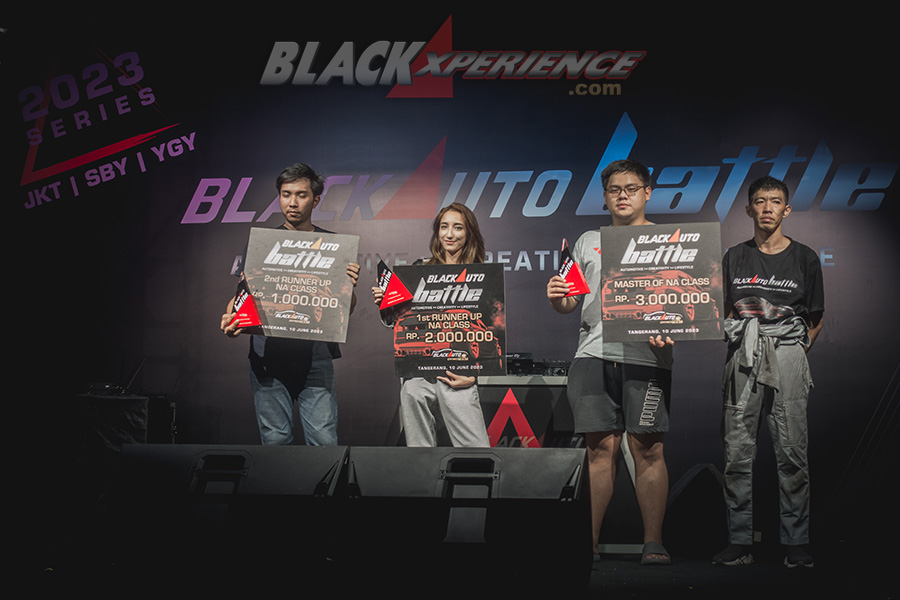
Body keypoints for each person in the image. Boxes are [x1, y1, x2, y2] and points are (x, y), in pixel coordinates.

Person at [547, 159, 674, 565]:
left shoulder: (668, 240)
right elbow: (569, 303)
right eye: (615, 189)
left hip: (647, 357)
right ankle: (589, 543)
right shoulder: (588, 241)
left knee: (648, 449)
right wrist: (557, 297)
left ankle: (653, 541)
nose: (623, 195)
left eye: (631, 188)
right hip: (592, 355)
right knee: (599, 450)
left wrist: (674, 324)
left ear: (647, 192)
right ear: (604, 197)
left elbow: (684, 301)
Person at [713, 175, 824, 568]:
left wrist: (793, 350)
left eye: (775, 201)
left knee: (792, 450)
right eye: (759, 201)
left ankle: (795, 542)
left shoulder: (805, 257)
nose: (767, 208)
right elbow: (724, 311)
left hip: (788, 353)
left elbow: (815, 317)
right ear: (749, 209)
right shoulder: (734, 256)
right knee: (737, 450)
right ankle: (739, 541)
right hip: (743, 353)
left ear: (786, 209)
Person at [220, 163, 360, 445]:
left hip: (316, 357)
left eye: (301, 195)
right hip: (268, 357)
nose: (292, 202)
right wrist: (231, 318)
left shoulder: (333, 245)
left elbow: (345, 308)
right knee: (275, 442)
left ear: (315, 200)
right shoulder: (262, 244)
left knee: (324, 442)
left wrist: (348, 288)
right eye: (286, 195)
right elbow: (243, 296)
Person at [372, 203, 490, 447]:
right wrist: (387, 305)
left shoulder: (482, 275)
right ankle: (421, 471)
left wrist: (473, 375)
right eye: (444, 227)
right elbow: (400, 323)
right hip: (419, 372)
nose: (449, 234)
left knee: (475, 450)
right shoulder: (419, 270)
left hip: (459, 373)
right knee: (417, 434)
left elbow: (489, 331)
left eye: (458, 228)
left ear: (469, 233)